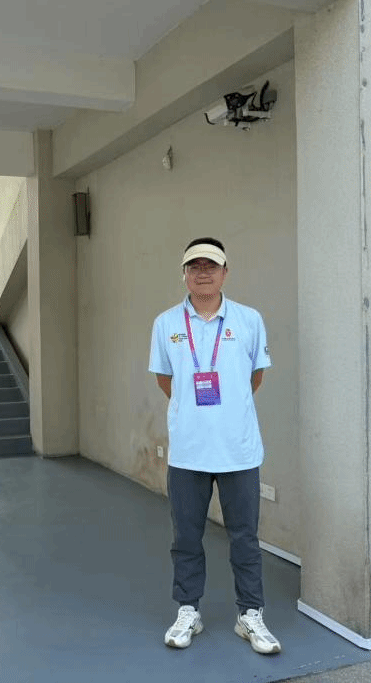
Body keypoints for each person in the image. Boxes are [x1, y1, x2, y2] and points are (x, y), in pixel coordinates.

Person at [148, 237, 281, 654]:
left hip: (238, 449)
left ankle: (250, 614)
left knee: (245, 538)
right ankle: (188, 610)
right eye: (195, 266)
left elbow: (255, 376)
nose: (202, 273)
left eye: (211, 266)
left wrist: (228, 412)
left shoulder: (249, 320)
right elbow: (166, 379)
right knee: (186, 537)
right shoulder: (166, 324)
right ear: (184, 274)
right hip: (188, 451)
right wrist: (195, 412)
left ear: (225, 272)